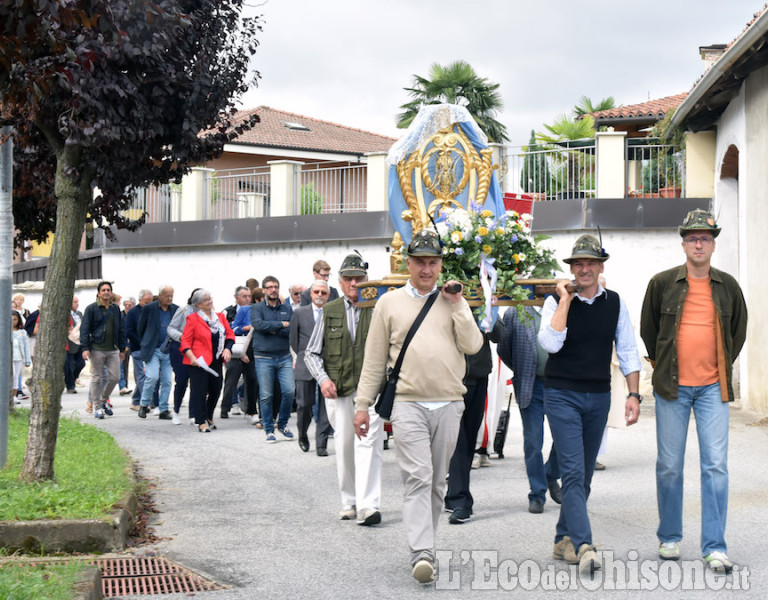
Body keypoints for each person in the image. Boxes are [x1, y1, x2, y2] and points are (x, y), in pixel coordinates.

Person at [353, 230, 483, 584]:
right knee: (418, 479)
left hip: (449, 404)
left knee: (438, 483)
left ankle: (426, 545)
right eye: (420, 262)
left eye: (433, 262)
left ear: (441, 264)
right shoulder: (389, 303)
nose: (427, 269)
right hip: (407, 404)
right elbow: (375, 358)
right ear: (407, 263)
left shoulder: (453, 299)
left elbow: (473, 345)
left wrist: (458, 304)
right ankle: (422, 553)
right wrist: (363, 405)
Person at [640, 209, 747, 573]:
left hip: (712, 391)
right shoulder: (662, 283)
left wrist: (721, 366)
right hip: (672, 389)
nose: (698, 243)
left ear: (713, 244)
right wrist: (663, 362)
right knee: (669, 466)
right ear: (683, 243)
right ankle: (670, 537)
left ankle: (715, 546)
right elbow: (649, 328)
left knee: (715, 467)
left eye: (705, 238)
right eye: (692, 238)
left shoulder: (728, 286)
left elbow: (739, 332)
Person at [538, 234, 641, 576]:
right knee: (573, 470)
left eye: (590, 264)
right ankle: (583, 544)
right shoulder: (556, 303)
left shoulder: (614, 302)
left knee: (581, 477)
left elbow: (627, 349)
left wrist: (633, 394)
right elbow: (550, 344)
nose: (584, 269)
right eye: (578, 264)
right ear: (571, 269)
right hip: (562, 393)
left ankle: (560, 539)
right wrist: (566, 300)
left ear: (600, 267)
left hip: (598, 395)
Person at [305, 252, 381, 518]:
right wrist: (323, 379)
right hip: (339, 389)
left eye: (358, 278)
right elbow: (311, 353)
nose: (353, 284)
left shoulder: (378, 307)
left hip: (370, 390)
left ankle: (368, 504)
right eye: (348, 279)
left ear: (366, 279)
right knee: (346, 444)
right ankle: (349, 501)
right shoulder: (330, 310)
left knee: (369, 443)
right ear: (340, 281)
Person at [500, 306, 562, 514]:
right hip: (530, 385)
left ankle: (550, 474)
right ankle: (537, 494)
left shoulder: (561, 306)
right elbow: (504, 348)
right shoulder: (515, 312)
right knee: (533, 442)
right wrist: (522, 369)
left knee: (565, 438)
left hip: (559, 385)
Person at [444, 312, 504, 524]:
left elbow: (500, 335)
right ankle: (461, 500)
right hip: (450, 377)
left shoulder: (483, 296)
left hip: (478, 377)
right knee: (457, 440)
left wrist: (491, 314)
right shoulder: (444, 299)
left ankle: (454, 494)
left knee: (468, 441)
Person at [180, 289, 234, 433]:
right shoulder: (193, 319)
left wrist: (228, 349)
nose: (210, 302)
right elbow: (185, 342)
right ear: (198, 304)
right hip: (198, 362)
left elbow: (230, 335)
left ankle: (209, 416)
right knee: (200, 391)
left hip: (216, 360)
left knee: (216, 389)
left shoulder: (220, 317)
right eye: (206, 300)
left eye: (210, 298)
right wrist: (192, 358)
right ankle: (201, 420)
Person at [251, 276, 295, 443]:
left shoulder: (287, 308)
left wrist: (272, 327)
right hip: (263, 357)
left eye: (275, 286)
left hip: (284, 356)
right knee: (266, 395)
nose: (273, 290)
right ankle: (269, 429)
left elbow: (291, 329)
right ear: (263, 290)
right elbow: (258, 325)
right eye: (269, 287)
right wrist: (280, 325)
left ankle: (282, 424)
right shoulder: (256, 308)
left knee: (290, 391)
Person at [290, 279, 332, 454]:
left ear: (328, 295)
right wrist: (300, 357)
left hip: (328, 365)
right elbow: (293, 340)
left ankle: (321, 443)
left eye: (323, 292)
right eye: (317, 292)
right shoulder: (300, 313)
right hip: (305, 364)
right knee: (304, 404)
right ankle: (302, 434)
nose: (320, 295)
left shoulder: (333, 312)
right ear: (311, 294)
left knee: (326, 405)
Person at [80, 281, 126, 419]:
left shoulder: (115, 309)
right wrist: (85, 348)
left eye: (108, 290)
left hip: (113, 349)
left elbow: (121, 329)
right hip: (97, 348)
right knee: (97, 378)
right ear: (99, 293)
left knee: (115, 377)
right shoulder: (91, 309)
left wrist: (122, 348)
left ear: (111, 293)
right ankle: (98, 408)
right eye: (103, 290)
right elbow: (85, 329)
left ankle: (103, 399)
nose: (106, 292)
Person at [137, 285, 178, 420]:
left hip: (168, 349)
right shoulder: (149, 308)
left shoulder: (176, 309)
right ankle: (144, 405)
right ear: (160, 295)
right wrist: (145, 342)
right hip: (153, 349)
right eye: (167, 296)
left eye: (172, 295)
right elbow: (141, 328)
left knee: (167, 381)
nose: (170, 298)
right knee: (152, 377)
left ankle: (164, 409)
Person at [221, 285, 256, 418]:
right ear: (236, 298)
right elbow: (227, 329)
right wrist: (243, 328)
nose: (247, 299)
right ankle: (225, 407)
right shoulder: (228, 311)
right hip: (235, 349)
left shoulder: (253, 310)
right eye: (244, 296)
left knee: (251, 379)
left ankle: (248, 408)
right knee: (231, 379)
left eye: (249, 296)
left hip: (250, 349)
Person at [168, 289, 200, 424]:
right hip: (180, 349)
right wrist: (182, 337)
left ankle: (193, 414)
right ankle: (176, 410)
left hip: (198, 349)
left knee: (196, 382)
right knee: (181, 381)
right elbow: (171, 328)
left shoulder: (207, 314)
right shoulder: (183, 310)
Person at [125, 289, 155, 410]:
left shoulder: (154, 311)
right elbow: (129, 331)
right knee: (142, 376)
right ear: (140, 300)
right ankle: (146, 402)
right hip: (138, 349)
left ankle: (136, 400)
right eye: (146, 302)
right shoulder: (133, 313)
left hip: (152, 348)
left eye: (150, 302)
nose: (148, 304)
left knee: (149, 375)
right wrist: (142, 342)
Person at [65, 296, 86, 394]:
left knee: (81, 363)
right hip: (69, 342)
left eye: (77, 302)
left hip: (79, 341)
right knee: (69, 365)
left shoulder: (79, 314)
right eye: (75, 302)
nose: (77, 304)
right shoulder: (66, 314)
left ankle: (73, 378)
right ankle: (70, 386)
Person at [11, 311, 31, 401]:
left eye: (15, 319)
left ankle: (14, 396)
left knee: (16, 376)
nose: (12, 322)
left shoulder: (22, 332)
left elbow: (26, 347)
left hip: (18, 357)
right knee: (10, 375)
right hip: (8, 358)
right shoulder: (4, 331)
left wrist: (27, 360)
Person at [119, 296, 136, 396]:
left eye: (130, 305)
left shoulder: (134, 314)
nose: (127, 306)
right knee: (124, 365)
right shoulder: (121, 315)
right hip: (125, 343)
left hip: (134, 342)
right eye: (126, 305)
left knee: (137, 365)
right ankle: (124, 386)